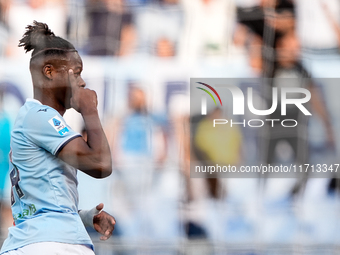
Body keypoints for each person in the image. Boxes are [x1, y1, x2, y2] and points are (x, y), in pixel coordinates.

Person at [0, 21, 115, 255]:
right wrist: (90, 110)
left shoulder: (32, 119)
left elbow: (38, 203)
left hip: (33, 242)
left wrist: (82, 217)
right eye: (76, 72)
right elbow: (100, 164)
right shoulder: (40, 117)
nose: (82, 82)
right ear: (49, 72)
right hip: (51, 246)